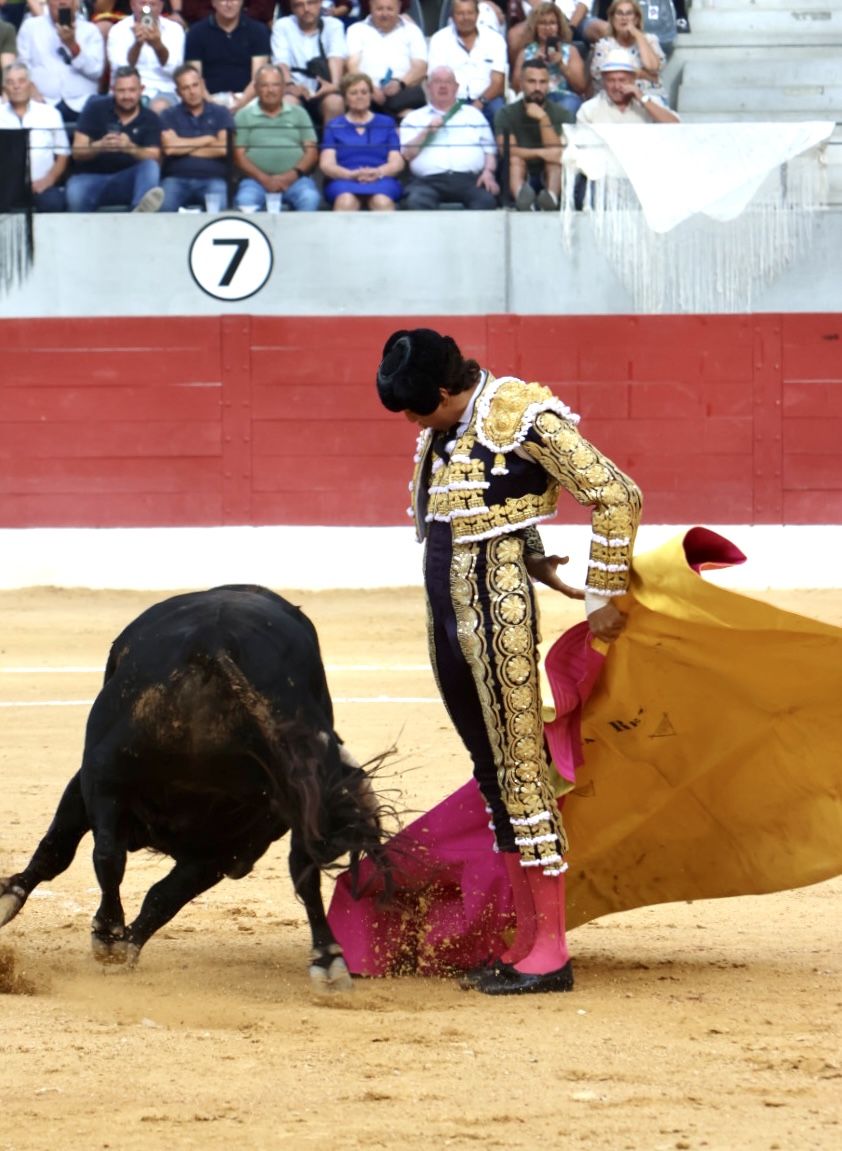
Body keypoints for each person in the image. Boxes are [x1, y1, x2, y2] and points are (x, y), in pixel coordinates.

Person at [374, 327, 642, 994]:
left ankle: (550, 951)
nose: (409, 422)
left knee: (521, 773)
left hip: (497, 622)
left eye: (414, 409)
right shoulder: (446, 428)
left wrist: (604, 593)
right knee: (494, 776)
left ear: (443, 390)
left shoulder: (521, 414)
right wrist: (532, 551)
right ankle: (525, 938)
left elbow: (617, 494)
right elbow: (488, 508)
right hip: (450, 624)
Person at [66, 64, 165, 211]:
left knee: (150, 167)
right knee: (75, 193)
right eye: (121, 91)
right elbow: (77, 152)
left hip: (129, 180)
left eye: (132, 90)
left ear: (141, 90)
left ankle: (140, 216)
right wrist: (100, 146)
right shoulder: (95, 108)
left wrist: (129, 148)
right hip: (92, 178)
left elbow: (156, 157)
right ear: (112, 90)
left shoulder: (150, 118)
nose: (127, 96)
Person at [399, 65, 499, 211]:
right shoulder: (414, 118)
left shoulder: (474, 114)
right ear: (428, 87)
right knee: (416, 202)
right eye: (437, 81)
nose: (443, 86)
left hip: (469, 180)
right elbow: (407, 154)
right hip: (427, 182)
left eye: (448, 82)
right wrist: (427, 131)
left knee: (486, 201)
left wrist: (488, 173)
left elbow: (489, 151)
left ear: (456, 87)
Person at [232, 61, 320, 211]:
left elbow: (312, 152)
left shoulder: (299, 113)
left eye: (275, 85)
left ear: (284, 88)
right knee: (245, 201)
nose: (270, 90)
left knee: (310, 198)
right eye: (264, 85)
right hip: (255, 181)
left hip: (296, 180)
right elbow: (238, 157)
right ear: (256, 89)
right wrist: (265, 179)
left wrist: (290, 176)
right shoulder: (243, 115)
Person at [319, 71, 404, 211]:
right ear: (345, 99)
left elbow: (397, 161)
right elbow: (326, 164)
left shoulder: (386, 122)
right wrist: (350, 175)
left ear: (371, 96)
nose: (360, 97)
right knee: (346, 201)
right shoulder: (334, 125)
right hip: (344, 179)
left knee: (381, 201)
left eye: (364, 92)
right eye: (353, 93)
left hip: (381, 179)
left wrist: (377, 172)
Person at [494, 59, 569, 211]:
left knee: (555, 163)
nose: (537, 88)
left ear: (549, 84)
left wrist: (543, 119)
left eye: (542, 82)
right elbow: (507, 151)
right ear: (521, 84)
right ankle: (523, 200)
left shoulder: (562, 114)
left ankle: (551, 198)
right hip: (519, 169)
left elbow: (559, 154)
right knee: (515, 160)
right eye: (531, 82)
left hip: (549, 171)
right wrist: (542, 153)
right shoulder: (506, 113)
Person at [159, 62, 234, 210]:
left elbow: (223, 148)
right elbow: (170, 149)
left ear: (202, 84)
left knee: (222, 211)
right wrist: (208, 139)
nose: (192, 92)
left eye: (195, 85)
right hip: (176, 179)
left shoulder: (220, 112)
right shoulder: (168, 115)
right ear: (178, 92)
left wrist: (183, 146)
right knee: (163, 209)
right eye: (186, 88)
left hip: (212, 179)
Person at [16, 0, 104, 125]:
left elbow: (96, 71)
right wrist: (31, 89)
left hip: (83, 104)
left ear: (76, 4)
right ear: (47, 2)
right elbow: (22, 67)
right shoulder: (30, 28)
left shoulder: (90, 31)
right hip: (43, 103)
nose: (62, 2)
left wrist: (73, 46)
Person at [0, 58, 70, 211]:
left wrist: (48, 180)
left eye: (21, 81)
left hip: (42, 186)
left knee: (54, 202)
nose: (16, 86)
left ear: (30, 85)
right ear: (4, 88)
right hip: (4, 187)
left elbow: (63, 155)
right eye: (10, 82)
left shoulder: (50, 113)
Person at [427, 0, 507, 126]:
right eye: (460, 13)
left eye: (470, 13)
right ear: (452, 16)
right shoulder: (439, 40)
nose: (466, 18)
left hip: (487, 99)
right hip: (453, 99)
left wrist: (479, 103)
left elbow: (498, 82)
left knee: (500, 113)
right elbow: (436, 79)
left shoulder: (495, 39)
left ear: (477, 14)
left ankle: (501, 146)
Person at [345, 0, 426, 120]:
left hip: (403, 90)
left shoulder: (412, 31)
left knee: (409, 114)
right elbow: (352, 65)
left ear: (398, 7)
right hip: (366, 92)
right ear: (371, 7)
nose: (384, 14)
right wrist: (370, 88)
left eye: (389, 9)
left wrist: (400, 84)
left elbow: (421, 67)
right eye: (379, 9)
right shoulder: (356, 30)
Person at [271, 0, 347, 128]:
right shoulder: (282, 25)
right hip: (295, 87)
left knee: (335, 103)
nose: (306, 9)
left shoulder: (334, 25)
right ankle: (295, 148)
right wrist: (289, 85)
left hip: (325, 88)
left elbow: (336, 56)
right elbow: (281, 61)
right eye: (299, 5)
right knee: (287, 104)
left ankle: (330, 147)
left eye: (311, 3)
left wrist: (333, 85)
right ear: (292, 8)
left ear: (320, 3)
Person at [184, 0, 270, 112]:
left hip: (248, 98)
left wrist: (241, 103)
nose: (229, 4)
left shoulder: (258, 31)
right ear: (214, 3)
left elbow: (258, 78)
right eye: (223, 0)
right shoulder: (196, 32)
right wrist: (212, 104)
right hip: (209, 99)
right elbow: (195, 78)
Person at [106, 0, 185, 113]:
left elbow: (175, 71)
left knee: (159, 107)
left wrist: (158, 46)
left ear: (161, 6)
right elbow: (121, 71)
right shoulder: (118, 30)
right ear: (132, 5)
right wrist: (137, 45)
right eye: (142, 3)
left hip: (164, 89)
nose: (146, 9)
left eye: (152, 4)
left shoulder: (175, 30)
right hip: (126, 90)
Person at [510, 2, 586, 118]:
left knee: (568, 106)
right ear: (535, 26)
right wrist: (533, 63)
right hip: (534, 96)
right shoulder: (526, 52)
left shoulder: (570, 51)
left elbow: (581, 87)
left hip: (563, 96)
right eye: (542, 23)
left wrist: (561, 65)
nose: (547, 28)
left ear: (559, 26)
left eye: (552, 23)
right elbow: (516, 87)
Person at [577, 46, 678, 125]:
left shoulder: (650, 102)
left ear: (633, 79)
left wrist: (642, 99)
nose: (617, 86)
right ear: (603, 81)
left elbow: (676, 126)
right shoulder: (588, 109)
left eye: (622, 80)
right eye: (611, 80)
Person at [590, 0, 666, 101]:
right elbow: (604, 79)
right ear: (612, 19)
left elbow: (653, 68)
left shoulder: (650, 40)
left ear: (636, 19)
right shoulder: (604, 45)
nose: (624, 18)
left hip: (650, 96)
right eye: (619, 13)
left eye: (629, 13)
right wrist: (642, 74)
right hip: (614, 99)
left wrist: (638, 34)